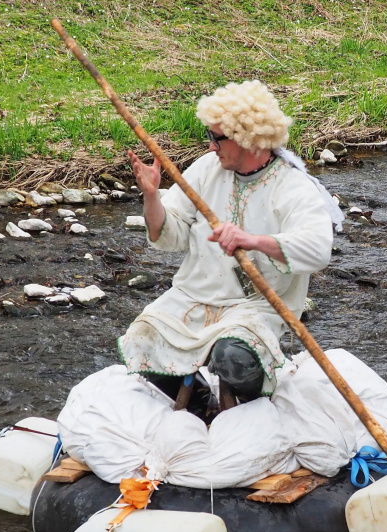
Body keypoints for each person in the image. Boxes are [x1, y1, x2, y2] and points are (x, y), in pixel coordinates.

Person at [122, 80, 342, 411]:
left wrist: (252, 241)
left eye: (216, 137)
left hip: (257, 306)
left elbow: (318, 249)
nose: (211, 146)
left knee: (233, 357)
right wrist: (152, 196)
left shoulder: (292, 185)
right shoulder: (206, 169)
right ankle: (200, 406)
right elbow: (170, 235)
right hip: (194, 297)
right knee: (140, 337)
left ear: (247, 139)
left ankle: (249, 408)